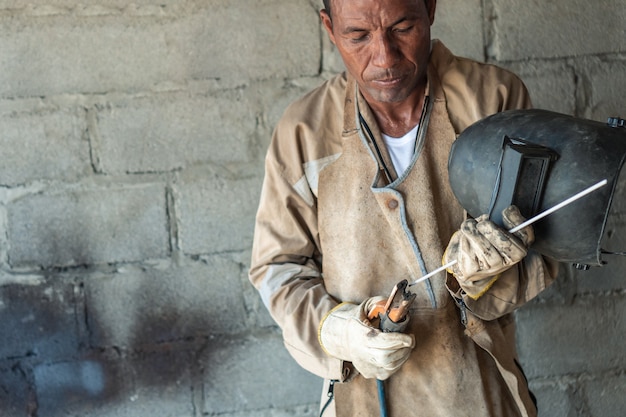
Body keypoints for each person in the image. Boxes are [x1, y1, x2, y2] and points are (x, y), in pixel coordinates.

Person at [249, 0, 559, 416]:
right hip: (358, 399)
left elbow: (546, 241)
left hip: (478, 394)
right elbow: (277, 267)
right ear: (328, 26)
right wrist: (335, 331)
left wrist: (486, 278)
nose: (384, 57)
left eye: (402, 27)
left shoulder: (493, 100)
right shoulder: (303, 132)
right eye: (358, 36)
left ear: (430, 8)